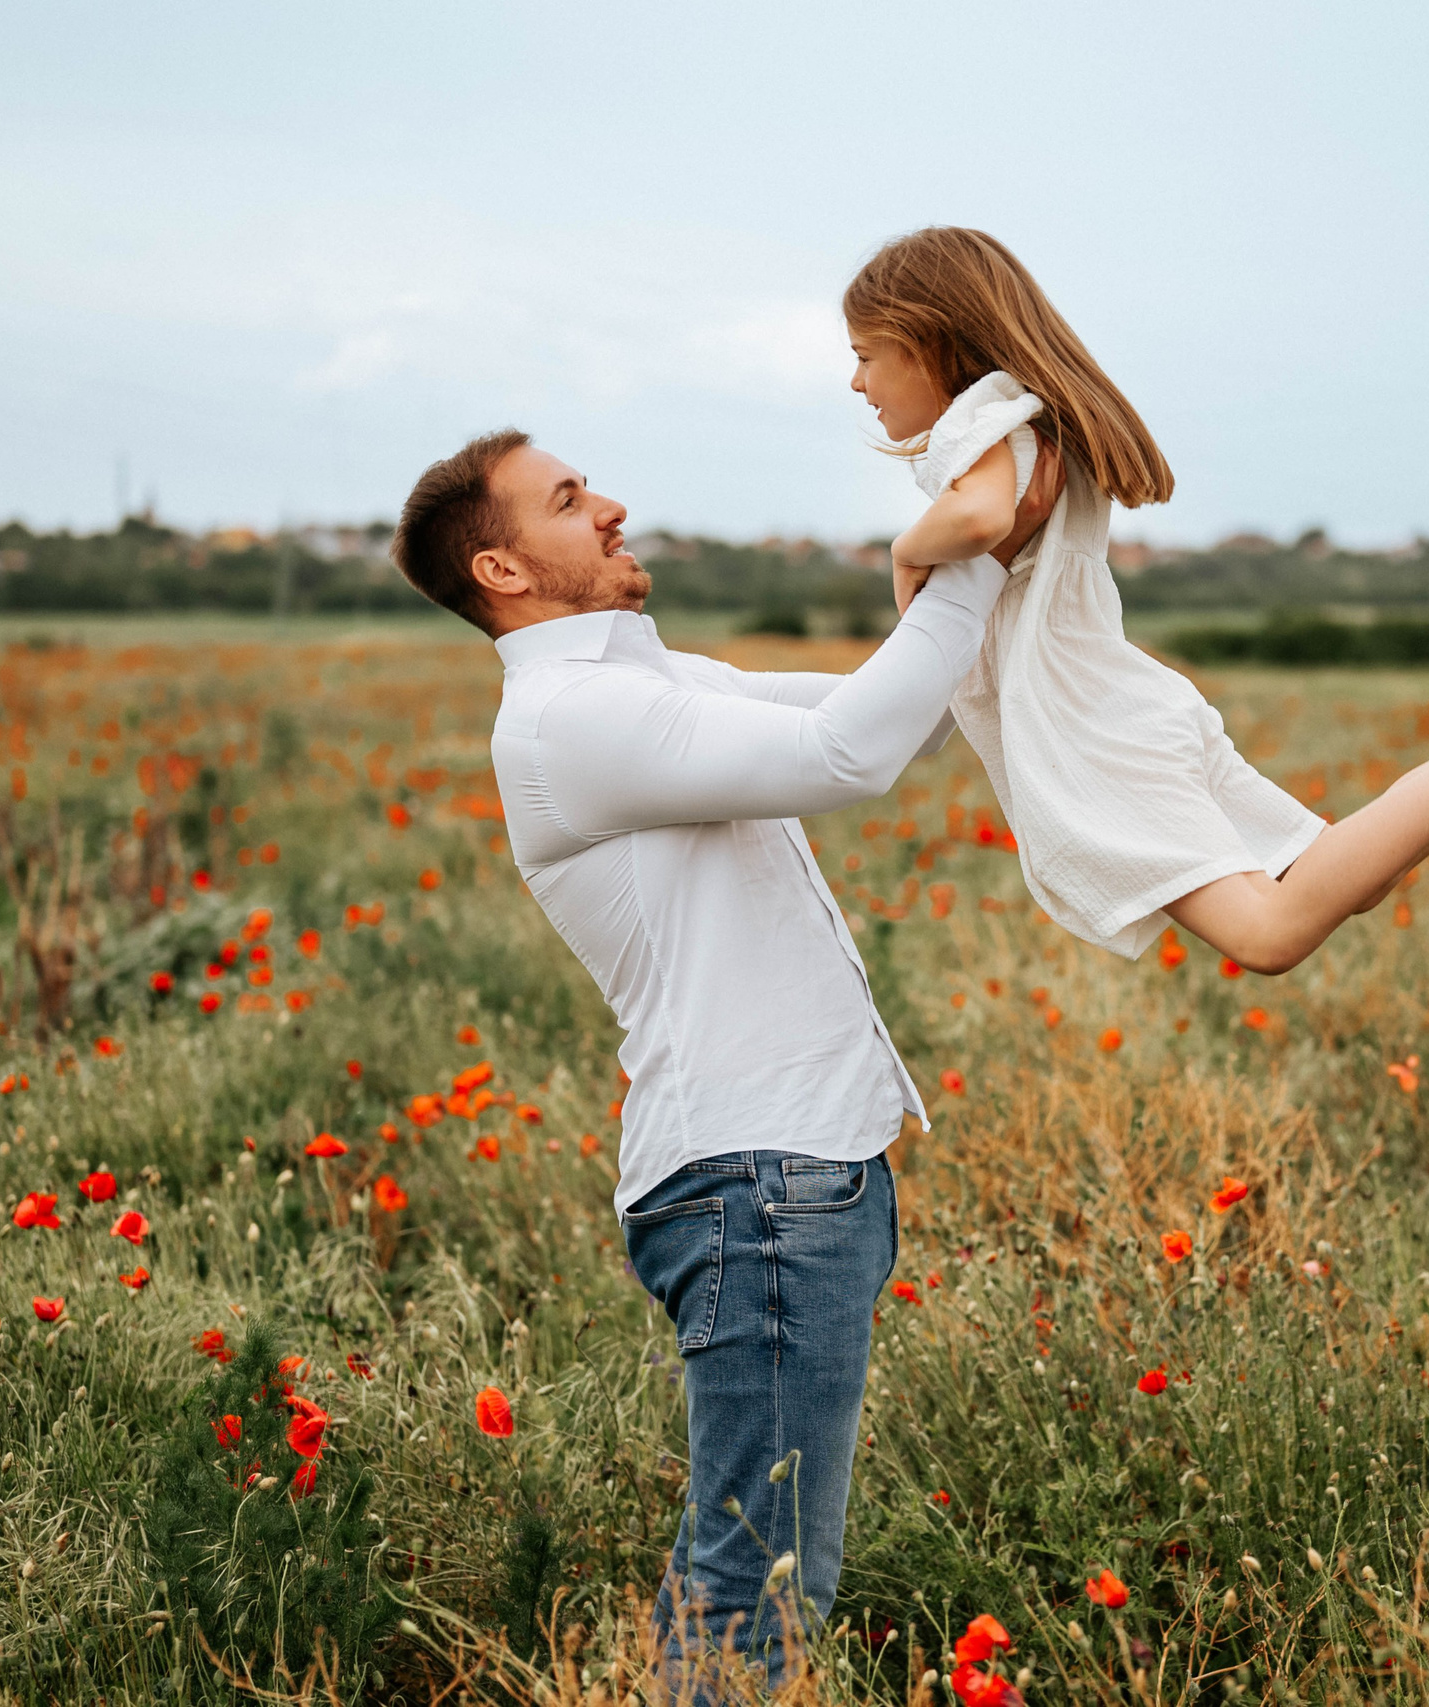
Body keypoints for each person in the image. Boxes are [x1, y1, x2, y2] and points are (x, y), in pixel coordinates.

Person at [388, 429, 1063, 1696]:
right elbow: (847, 757)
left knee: (748, 1578)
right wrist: (970, 548)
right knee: (757, 1595)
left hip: (790, 1175)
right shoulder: (571, 718)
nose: (610, 507)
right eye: (568, 499)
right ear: (502, 569)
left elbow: (900, 721)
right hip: (758, 1187)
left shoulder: (653, 685)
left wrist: (978, 548)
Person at [850, 226, 1429, 973]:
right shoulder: (1031, 417)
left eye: (864, 355)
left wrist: (906, 548)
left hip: (1093, 730)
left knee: (1267, 933)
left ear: (929, 343)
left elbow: (981, 515)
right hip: (1123, 703)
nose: (857, 383)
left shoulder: (980, 424)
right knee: (1328, 874)